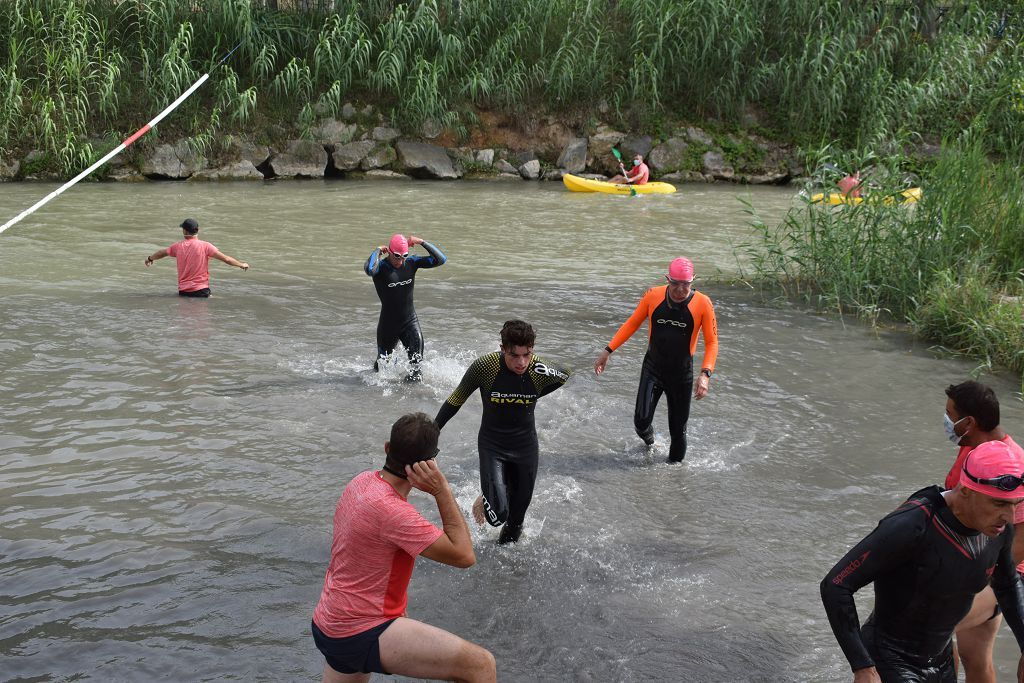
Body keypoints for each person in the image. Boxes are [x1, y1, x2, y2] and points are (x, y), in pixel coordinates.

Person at [311, 412, 496, 683]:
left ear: (387, 448)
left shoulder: (361, 482)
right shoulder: (394, 513)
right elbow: (465, 555)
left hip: (330, 622)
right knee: (480, 665)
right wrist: (442, 489)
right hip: (362, 629)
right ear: (431, 463)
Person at [821, 440, 1024, 683]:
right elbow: (835, 584)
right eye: (999, 503)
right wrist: (862, 666)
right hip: (891, 659)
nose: (1009, 517)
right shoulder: (913, 525)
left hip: (941, 661)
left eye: (1016, 504)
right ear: (966, 490)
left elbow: (1007, 584)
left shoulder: (999, 530)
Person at [434, 320, 570, 545]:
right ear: (503, 349)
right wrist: (433, 432)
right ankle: (488, 496)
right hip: (493, 446)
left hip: (526, 448)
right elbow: (456, 399)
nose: (522, 362)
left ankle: (504, 573)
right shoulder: (485, 367)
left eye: (527, 354)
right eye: (514, 355)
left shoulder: (537, 368)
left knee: (515, 524)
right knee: (498, 516)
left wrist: (535, 393)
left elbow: (565, 374)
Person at [594, 257, 718, 462]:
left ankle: (675, 478)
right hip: (653, 368)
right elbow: (632, 323)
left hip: (681, 374)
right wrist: (607, 351)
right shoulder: (653, 295)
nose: (680, 289)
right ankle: (650, 443)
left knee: (678, 431)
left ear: (692, 281)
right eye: (675, 283)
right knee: (641, 422)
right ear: (667, 279)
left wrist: (705, 374)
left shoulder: (703, 303)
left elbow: (712, 342)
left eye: (685, 284)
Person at [941, 381, 1024, 683]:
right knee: (975, 657)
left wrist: (968, 576)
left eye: (951, 415)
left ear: (969, 423)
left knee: (932, 629)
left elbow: (1019, 546)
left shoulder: (1013, 466)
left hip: (1005, 574)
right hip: (975, 563)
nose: (946, 421)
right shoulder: (973, 450)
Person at [364, 233, 446, 381]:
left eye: (404, 256)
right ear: (389, 251)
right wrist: (377, 250)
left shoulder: (411, 263)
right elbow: (370, 270)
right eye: (397, 256)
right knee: (381, 370)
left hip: (410, 321)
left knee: (416, 368)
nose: (401, 261)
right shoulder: (380, 268)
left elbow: (441, 260)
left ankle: (412, 399)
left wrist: (422, 242)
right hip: (388, 325)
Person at [144, 218, 249, 297]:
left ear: (184, 231)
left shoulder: (177, 246)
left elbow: (161, 253)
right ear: (197, 230)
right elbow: (226, 259)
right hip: (201, 291)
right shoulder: (206, 246)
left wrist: (150, 259)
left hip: (183, 292)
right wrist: (241, 264)